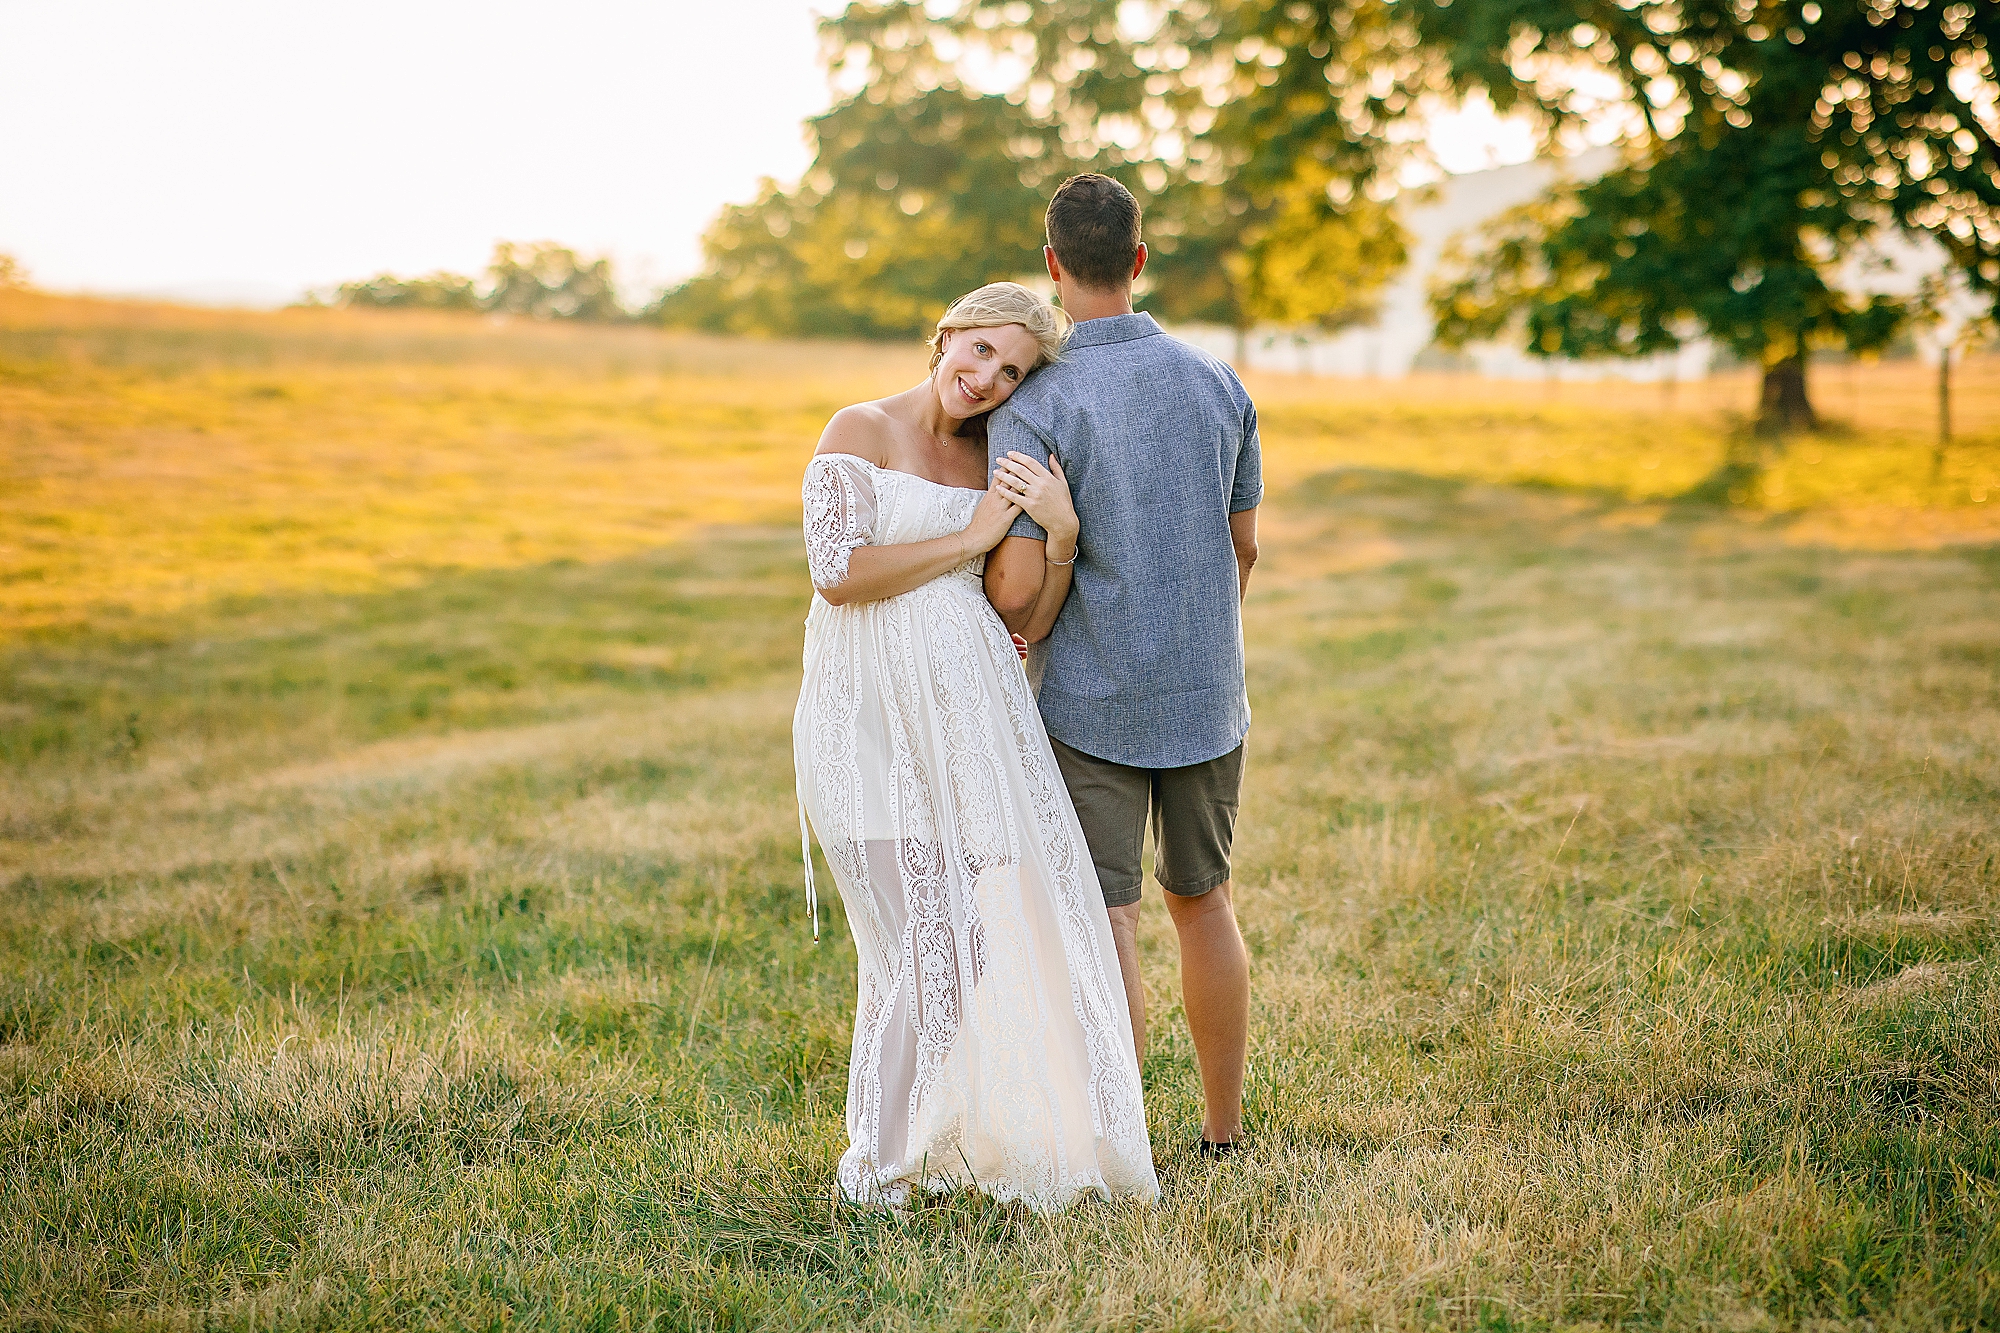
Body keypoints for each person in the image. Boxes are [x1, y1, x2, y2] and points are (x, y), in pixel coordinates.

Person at [792, 281, 1159, 1213]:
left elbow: (1020, 614)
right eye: (982, 350)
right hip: (864, 713)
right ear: (946, 333)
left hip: (969, 719)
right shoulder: (860, 427)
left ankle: (924, 1138)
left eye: (1013, 369)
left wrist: (1061, 535)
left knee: (963, 939)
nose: (988, 377)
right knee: (917, 942)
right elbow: (838, 574)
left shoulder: (998, 457)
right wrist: (968, 535)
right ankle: (872, 1166)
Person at [985, 174, 1261, 1157]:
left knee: (1111, 920)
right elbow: (1243, 549)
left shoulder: (1037, 404)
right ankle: (1222, 1133)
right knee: (1204, 902)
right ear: (1139, 260)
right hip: (1204, 696)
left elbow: (1015, 597)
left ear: (1052, 265)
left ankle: (1122, 1142)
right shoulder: (1218, 383)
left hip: (1089, 703)